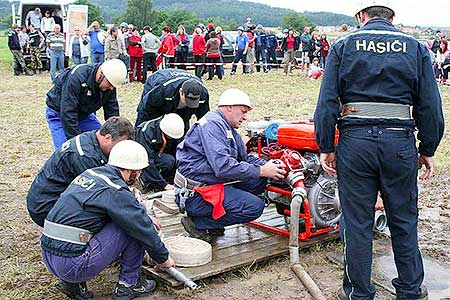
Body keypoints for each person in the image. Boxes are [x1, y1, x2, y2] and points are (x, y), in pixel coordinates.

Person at [314, 1, 444, 299]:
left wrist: (325, 145)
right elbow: (430, 106)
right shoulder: (415, 47)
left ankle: (360, 294)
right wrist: (427, 147)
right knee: (403, 220)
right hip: (398, 142)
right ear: (392, 17)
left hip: (355, 142)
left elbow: (327, 102)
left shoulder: (343, 45)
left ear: (362, 16)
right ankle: (410, 291)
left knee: (357, 224)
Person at [41, 140, 175, 300]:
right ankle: (129, 285)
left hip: (49, 256)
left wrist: (138, 214)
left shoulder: (90, 174)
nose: (139, 175)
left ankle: (71, 284)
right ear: (133, 171)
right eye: (139, 171)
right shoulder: (116, 190)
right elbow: (141, 227)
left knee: (129, 216)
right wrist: (164, 258)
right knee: (133, 227)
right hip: (72, 265)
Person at [175, 89, 287, 243]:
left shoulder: (227, 127)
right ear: (229, 107)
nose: (245, 117)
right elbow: (223, 167)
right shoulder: (213, 125)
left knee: (259, 179)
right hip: (196, 193)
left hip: (210, 183)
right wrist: (262, 170)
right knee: (255, 207)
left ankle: (213, 219)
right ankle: (199, 223)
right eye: (243, 111)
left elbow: (245, 159)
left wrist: (268, 166)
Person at [27, 116, 134, 227]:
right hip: (45, 208)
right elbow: (106, 195)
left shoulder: (92, 138)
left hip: (49, 199)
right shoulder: (86, 157)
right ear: (107, 137)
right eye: (120, 146)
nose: (122, 151)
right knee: (111, 217)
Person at [45, 59, 128, 149]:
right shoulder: (76, 78)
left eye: (113, 86)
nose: (111, 88)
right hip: (60, 115)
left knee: (102, 141)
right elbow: (68, 112)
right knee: (66, 151)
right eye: (110, 84)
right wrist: (77, 143)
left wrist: (116, 135)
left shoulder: (109, 86)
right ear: (101, 74)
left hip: (84, 114)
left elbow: (112, 111)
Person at [136, 68, 210, 130]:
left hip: (179, 90)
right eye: (188, 100)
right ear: (181, 92)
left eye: (194, 101)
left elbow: (204, 119)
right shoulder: (163, 90)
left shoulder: (203, 94)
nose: (189, 104)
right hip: (158, 80)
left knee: (183, 126)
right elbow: (145, 109)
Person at [136, 113, 184, 192]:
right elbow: (147, 161)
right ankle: (145, 181)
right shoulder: (146, 133)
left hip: (159, 154)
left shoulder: (176, 132)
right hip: (142, 159)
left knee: (170, 160)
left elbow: (180, 154)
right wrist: (163, 184)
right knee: (167, 161)